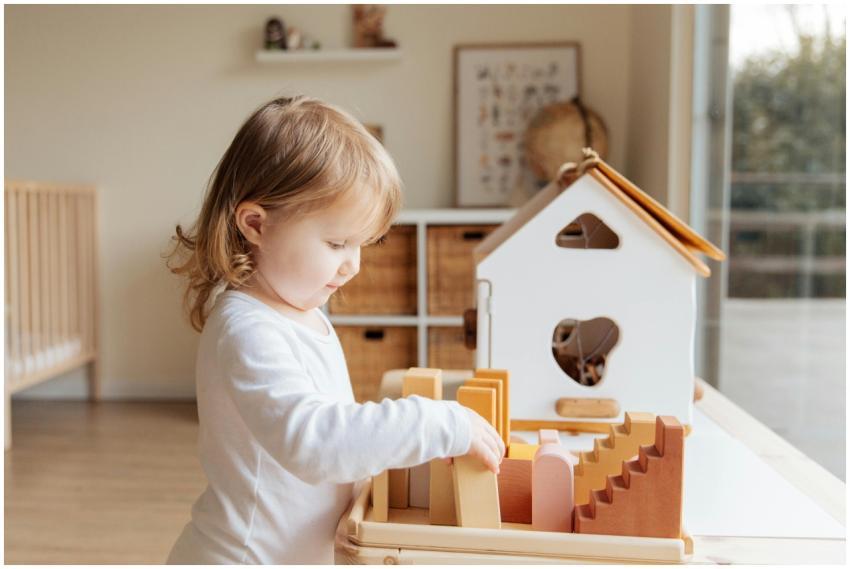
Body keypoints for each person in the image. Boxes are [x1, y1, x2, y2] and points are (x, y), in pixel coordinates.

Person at [164, 95, 504, 564]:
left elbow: (333, 437)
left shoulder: (303, 313)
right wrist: (434, 422)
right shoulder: (247, 329)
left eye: (361, 244)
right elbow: (314, 443)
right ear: (256, 224)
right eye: (337, 242)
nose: (353, 265)